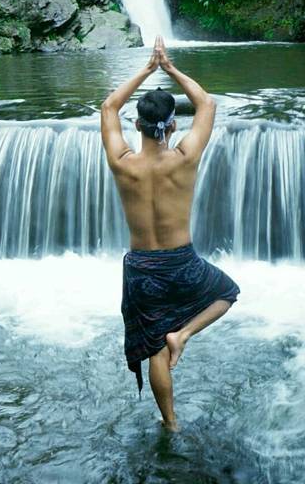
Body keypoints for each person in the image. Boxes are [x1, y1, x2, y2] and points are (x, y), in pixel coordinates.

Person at [99, 35, 241, 433]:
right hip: (182, 262)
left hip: (143, 268)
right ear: (172, 125)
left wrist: (145, 69)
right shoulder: (184, 157)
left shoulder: (122, 162)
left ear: (136, 125)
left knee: (155, 353)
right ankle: (185, 333)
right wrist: (170, 68)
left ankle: (171, 423)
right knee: (227, 293)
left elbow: (108, 105)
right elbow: (207, 104)